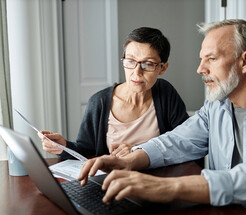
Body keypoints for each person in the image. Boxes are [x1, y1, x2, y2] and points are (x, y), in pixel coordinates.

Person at [78, 19, 246, 215]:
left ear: (245, 60)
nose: (200, 69)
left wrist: (167, 188)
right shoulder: (216, 106)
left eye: (212, 59)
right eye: (201, 59)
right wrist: (130, 161)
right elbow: (176, 141)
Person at [38, 27, 189, 159]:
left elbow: (185, 142)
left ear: (162, 68)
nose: (136, 72)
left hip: (156, 182)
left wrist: (139, 151)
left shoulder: (166, 93)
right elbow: (85, 152)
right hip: (113, 183)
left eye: (147, 64)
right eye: (130, 61)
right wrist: (63, 146)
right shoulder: (99, 102)